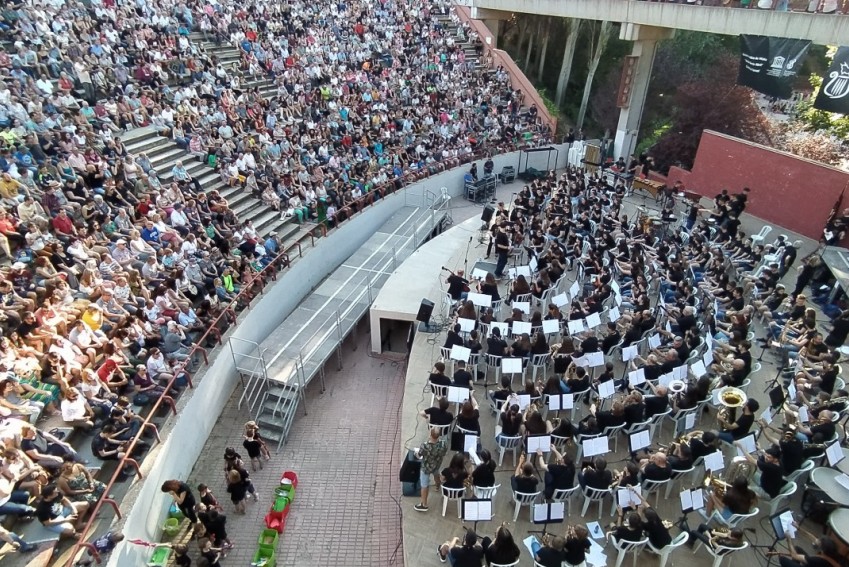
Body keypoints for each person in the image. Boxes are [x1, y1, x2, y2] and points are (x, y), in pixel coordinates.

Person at [414, 427, 448, 512]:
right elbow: (444, 453)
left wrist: (416, 454)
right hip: (437, 464)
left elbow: (419, 455)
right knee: (436, 474)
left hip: (426, 467)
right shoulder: (444, 444)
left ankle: (424, 504)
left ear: (430, 434)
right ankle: (437, 485)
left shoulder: (425, 445)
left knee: (424, 485)